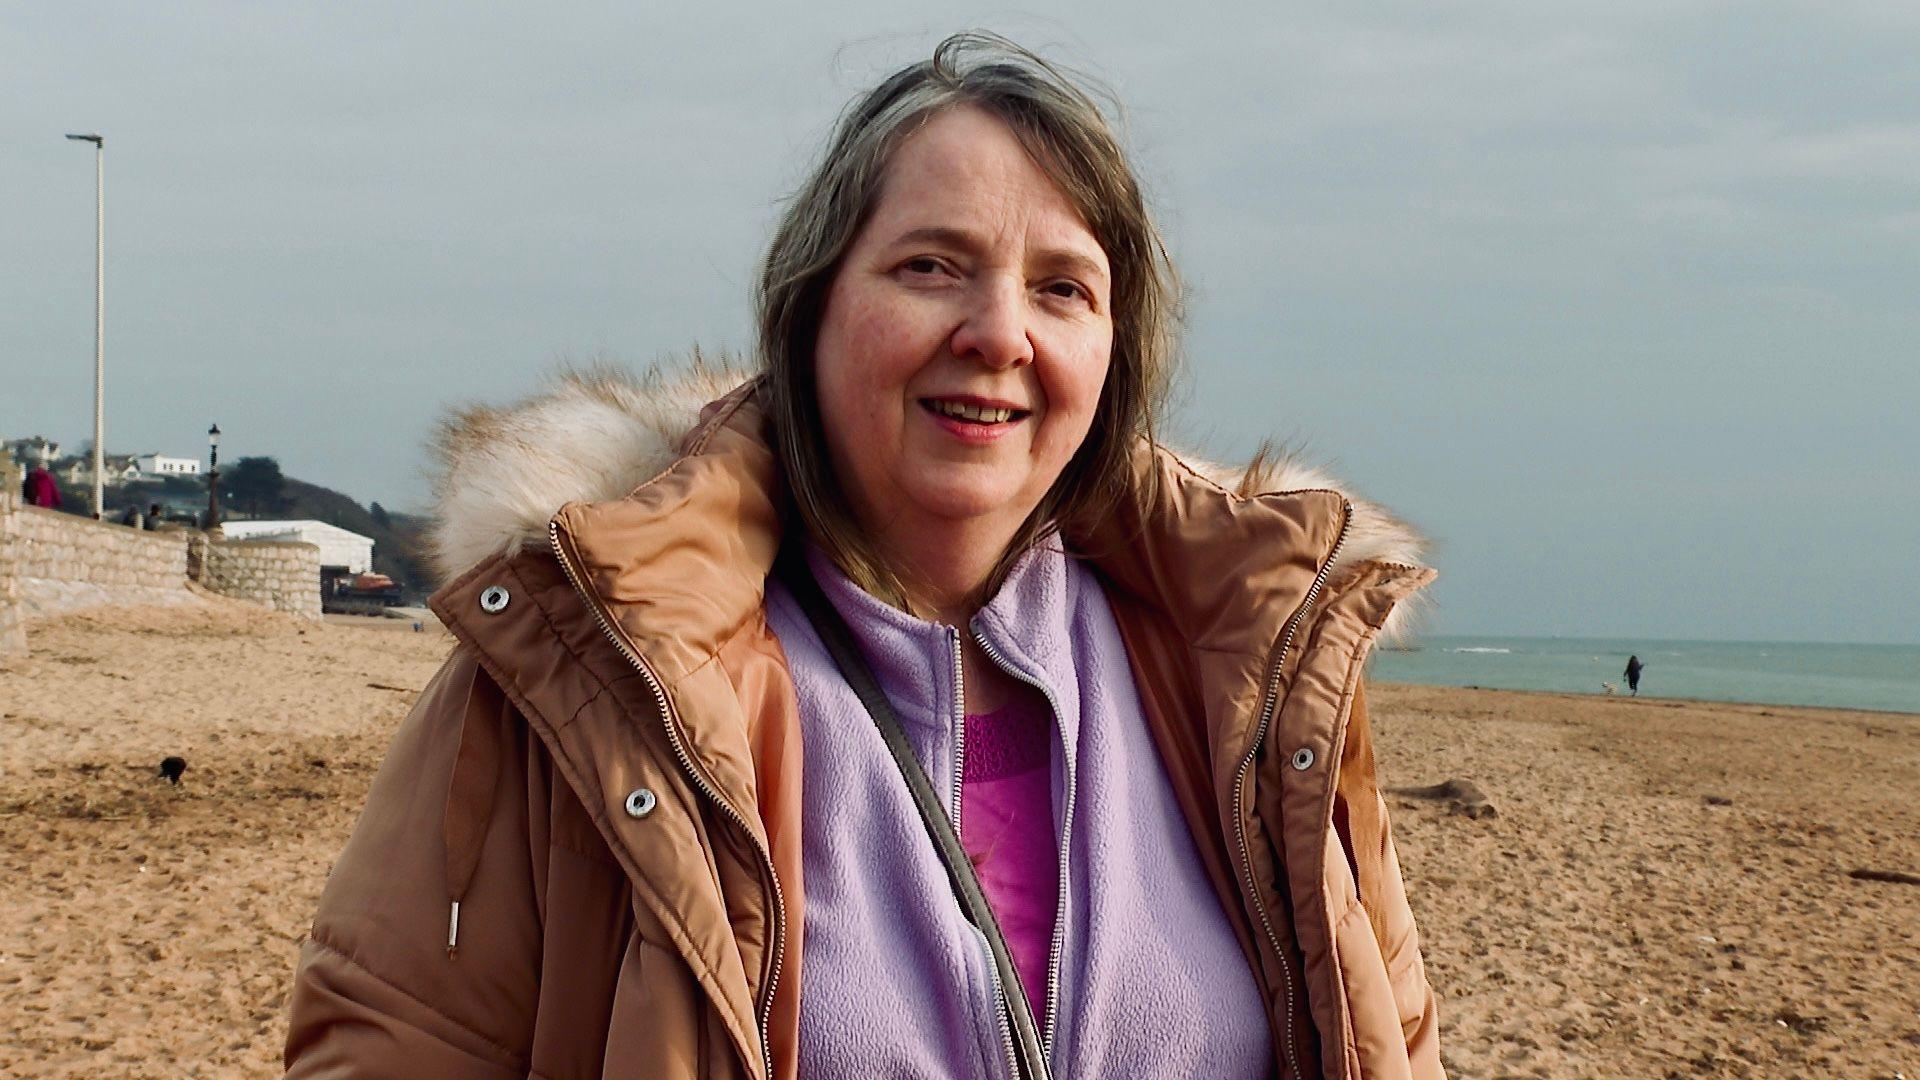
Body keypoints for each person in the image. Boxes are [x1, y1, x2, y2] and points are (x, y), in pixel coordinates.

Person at [285, 34, 1442, 1079]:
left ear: (1112, 353)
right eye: (930, 267)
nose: (998, 333)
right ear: (813, 310)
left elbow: (1391, 1037)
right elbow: (390, 1042)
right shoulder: (588, 668)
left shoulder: (1251, 675)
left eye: (1061, 287)